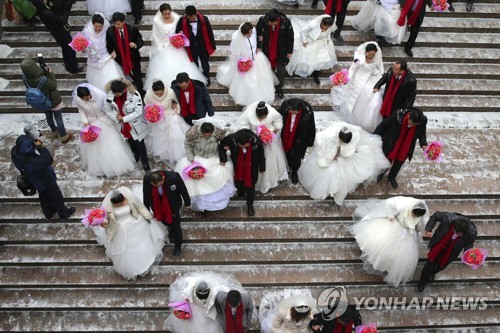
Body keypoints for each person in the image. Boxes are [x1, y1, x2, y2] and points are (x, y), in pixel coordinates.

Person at [298, 122, 390, 205]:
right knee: (330, 173)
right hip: (330, 154)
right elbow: (325, 160)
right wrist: (333, 156)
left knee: (342, 173)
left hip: (342, 156)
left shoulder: (352, 133)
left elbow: (350, 147)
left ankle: (334, 191)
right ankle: (330, 190)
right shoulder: (330, 138)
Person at [350, 196, 429, 287]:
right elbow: (388, 203)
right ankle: (378, 260)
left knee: (400, 256)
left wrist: (425, 230)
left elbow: (425, 220)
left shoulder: (423, 210)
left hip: (407, 232)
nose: (414, 216)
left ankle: (388, 265)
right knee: (381, 244)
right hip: (395, 224)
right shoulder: (402, 204)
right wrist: (390, 214)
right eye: (413, 213)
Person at [92, 186, 167, 280]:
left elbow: (140, 207)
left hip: (134, 224)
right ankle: (131, 268)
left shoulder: (130, 197)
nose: (119, 205)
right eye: (117, 205)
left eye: (121, 203)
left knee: (139, 245)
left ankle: (142, 263)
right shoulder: (107, 205)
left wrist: (148, 217)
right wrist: (104, 222)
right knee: (126, 250)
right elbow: (105, 217)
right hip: (118, 228)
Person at [72, 84, 136, 177]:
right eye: (84, 99)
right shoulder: (79, 101)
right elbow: (82, 111)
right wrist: (85, 122)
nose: (86, 100)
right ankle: (100, 167)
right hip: (92, 123)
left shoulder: (100, 97)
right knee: (95, 147)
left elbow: (108, 108)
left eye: (87, 97)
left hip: (105, 121)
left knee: (111, 143)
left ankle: (117, 164)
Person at [175, 119, 236, 212]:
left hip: (213, 158)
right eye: (205, 134)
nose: (207, 135)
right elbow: (187, 145)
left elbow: (223, 146)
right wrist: (191, 159)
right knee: (195, 181)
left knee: (219, 175)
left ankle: (214, 203)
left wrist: (223, 157)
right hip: (197, 159)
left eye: (209, 134)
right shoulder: (193, 134)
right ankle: (199, 204)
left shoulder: (218, 135)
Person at [11, 134, 75, 220]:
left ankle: (48, 212)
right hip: (45, 179)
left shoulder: (14, 151)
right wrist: (39, 145)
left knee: (43, 194)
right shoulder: (32, 162)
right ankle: (64, 213)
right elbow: (48, 159)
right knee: (57, 196)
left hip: (34, 179)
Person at [144, 3, 207, 90]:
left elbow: (181, 28)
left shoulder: (176, 18)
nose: (167, 15)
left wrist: (179, 36)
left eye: (168, 13)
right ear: (161, 13)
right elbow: (155, 34)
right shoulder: (156, 20)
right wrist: (159, 46)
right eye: (164, 14)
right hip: (164, 45)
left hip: (176, 45)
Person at [216, 22, 278, 106]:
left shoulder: (254, 31)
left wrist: (259, 47)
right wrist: (243, 62)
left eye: (250, 32)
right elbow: (236, 52)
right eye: (248, 33)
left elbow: (257, 41)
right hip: (245, 62)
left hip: (256, 58)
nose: (250, 34)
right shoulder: (237, 38)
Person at [164, 272, 246, 333]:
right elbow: (188, 281)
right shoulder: (190, 288)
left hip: (210, 311)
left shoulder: (214, 290)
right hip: (195, 309)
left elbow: (225, 289)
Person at [418, 212, 477, 291]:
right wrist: (428, 229)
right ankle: (422, 280)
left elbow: (469, 244)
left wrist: (467, 254)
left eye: (458, 233)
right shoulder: (449, 217)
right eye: (454, 231)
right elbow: (436, 215)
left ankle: (431, 274)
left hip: (452, 250)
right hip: (440, 243)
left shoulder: (471, 232)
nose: (455, 233)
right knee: (429, 263)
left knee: (441, 266)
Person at [238, 101, 288, 194]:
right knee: (257, 160)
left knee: (270, 159)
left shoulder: (272, 112)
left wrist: (274, 129)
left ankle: (271, 178)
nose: (263, 118)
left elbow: (278, 120)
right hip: (255, 139)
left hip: (269, 139)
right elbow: (244, 126)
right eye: (260, 117)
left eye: (264, 117)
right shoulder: (249, 115)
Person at [334, 42, 384, 132]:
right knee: (357, 96)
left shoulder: (377, 59)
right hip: (358, 79)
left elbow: (381, 70)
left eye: (373, 55)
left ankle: (367, 119)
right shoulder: (358, 59)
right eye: (369, 54)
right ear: (366, 52)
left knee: (370, 96)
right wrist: (347, 79)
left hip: (371, 78)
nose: (371, 56)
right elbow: (352, 69)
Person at [20, 57, 73, 144]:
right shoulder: (43, 79)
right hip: (53, 100)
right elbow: (53, 85)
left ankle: (54, 131)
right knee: (58, 117)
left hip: (42, 102)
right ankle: (63, 136)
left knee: (48, 116)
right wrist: (50, 73)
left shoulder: (25, 78)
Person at [103, 79, 151, 171]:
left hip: (135, 124)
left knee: (140, 143)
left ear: (124, 90)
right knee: (130, 141)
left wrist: (124, 118)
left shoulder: (134, 95)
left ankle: (145, 161)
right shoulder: (109, 96)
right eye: (114, 93)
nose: (116, 95)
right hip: (122, 125)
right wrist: (115, 116)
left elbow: (138, 111)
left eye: (118, 93)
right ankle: (136, 155)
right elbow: (107, 109)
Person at [374, 107, 427, 189]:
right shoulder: (397, 115)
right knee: (387, 158)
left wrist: (423, 143)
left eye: (413, 125)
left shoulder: (422, 121)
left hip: (406, 145)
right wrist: (374, 135)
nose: (411, 125)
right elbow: (384, 124)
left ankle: (392, 177)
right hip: (393, 141)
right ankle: (381, 173)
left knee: (399, 162)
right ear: (409, 116)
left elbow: (422, 132)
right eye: (410, 123)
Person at [143, 170, 191, 258]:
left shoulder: (174, 177)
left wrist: (187, 202)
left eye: (159, 184)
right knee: (164, 221)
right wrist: (146, 209)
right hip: (157, 205)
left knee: (176, 226)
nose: (157, 187)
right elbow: (146, 194)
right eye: (155, 185)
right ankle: (170, 228)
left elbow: (182, 189)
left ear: (163, 179)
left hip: (172, 204)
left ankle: (178, 245)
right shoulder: (147, 179)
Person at [219, 129, 266, 217]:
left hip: (251, 166)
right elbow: (222, 146)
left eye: (245, 145)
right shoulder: (231, 139)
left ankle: (250, 205)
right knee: (239, 180)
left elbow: (261, 155)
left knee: (250, 185)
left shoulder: (256, 142)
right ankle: (240, 191)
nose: (243, 147)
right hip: (238, 165)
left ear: (249, 141)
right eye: (241, 145)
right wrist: (223, 159)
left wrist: (262, 167)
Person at [30, 0, 82, 74]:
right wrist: (66, 10)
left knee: (66, 48)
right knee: (69, 48)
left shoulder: (46, 8)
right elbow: (62, 20)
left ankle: (69, 66)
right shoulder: (45, 13)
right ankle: (73, 68)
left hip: (59, 31)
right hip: (59, 32)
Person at [144, 80, 189, 164]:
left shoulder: (170, 92)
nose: (159, 95)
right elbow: (147, 106)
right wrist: (151, 114)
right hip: (157, 119)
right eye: (157, 94)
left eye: (160, 93)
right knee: (160, 138)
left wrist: (176, 109)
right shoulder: (149, 95)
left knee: (173, 137)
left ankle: (174, 154)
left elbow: (177, 102)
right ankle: (164, 154)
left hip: (170, 115)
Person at [286, 15, 337, 83]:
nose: (325, 28)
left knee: (321, 59)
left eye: (328, 27)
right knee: (306, 58)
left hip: (321, 43)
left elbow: (328, 33)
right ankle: (304, 71)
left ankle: (316, 74)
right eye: (325, 26)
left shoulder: (329, 27)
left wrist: (328, 40)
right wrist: (304, 41)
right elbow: (302, 31)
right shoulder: (313, 25)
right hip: (310, 41)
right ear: (321, 23)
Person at [256, 9, 294, 99]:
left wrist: (289, 51)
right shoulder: (262, 20)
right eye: (271, 23)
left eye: (275, 23)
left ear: (278, 20)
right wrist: (258, 45)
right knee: (267, 69)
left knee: (281, 70)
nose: (273, 25)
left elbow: (290, 37)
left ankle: (279, 87)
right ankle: (267, 87)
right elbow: (258, 33)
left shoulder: (286, 22)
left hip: (281, 49)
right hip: (267, 48)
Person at [82, 13, 125, 91]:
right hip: (93, 58)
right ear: (92, 25)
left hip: (106, 57)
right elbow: (84, 47)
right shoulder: (87, 32)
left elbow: (114, 42)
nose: (98, 28)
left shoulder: (108, 30)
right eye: (96, 27)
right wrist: (83, 48)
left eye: (100, 27)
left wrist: (114, 51)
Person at [278, 98, 316, 185]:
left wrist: (310, 140)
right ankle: (288, 167)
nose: (291, 112)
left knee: (297, 156)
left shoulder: (307, 112)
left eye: (294, 111)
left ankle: (294, 171)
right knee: (286, 153)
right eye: (290, 110)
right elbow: (276, 115)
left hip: (300, 137)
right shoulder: (285, 108)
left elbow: (311, 126)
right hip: (286, 136)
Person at [175, 5, 216, 85]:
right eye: (189, 18)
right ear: (186, 15)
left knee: (205, 63)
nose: (192, 19)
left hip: (203, 44)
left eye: (193, 18)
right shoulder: (182, 20)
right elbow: (177, 30)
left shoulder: (204, 19)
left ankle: (207, 77)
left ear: (196, 13)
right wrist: (180, 32)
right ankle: (197, 78)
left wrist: (213, 44)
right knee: (194, 63)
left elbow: (210, 32)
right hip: (191, 46)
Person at [106, 12, 144, 95]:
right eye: (115, 24)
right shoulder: (110, 31)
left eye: (118, 24)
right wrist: (112, 51)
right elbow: (109, 45)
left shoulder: (132, 28)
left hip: (133, 57)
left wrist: (135, 45)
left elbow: (140, 40)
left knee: (137, 76)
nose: (116, 26)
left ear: (123, 22)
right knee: (127, 77)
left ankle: (140, 93)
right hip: (120, 58)